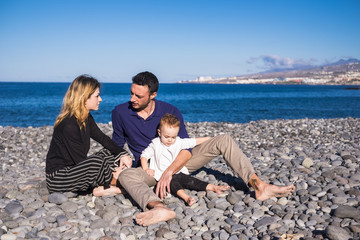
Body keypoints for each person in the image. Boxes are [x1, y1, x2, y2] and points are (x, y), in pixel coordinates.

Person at [112, 71, 295, 226]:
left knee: (223, 139)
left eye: (138, 96)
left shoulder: (170, 111)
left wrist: (170, 171)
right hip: (150, 169)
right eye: (131, 93)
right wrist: (119, 162)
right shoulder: (120, 112)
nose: (132, 99)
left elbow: (185, 148)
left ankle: (258, 185)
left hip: (179, 163)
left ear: (153, 95)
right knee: (126, 175)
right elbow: (117, 145)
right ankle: (159, 208)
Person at [46, 75, 132, 197]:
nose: (100, 99)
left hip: (75, 169)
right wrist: (112, 173)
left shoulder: (85, 117)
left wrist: (122, 154)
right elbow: (81, 161)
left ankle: (106, 184)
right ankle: (118, 184)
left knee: (109, 152)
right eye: (97, 96)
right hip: (59, 178)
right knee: (96, 163)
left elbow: (102, 139)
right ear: (84, 98)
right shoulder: (69, 125)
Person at [140, 113, 230, 206]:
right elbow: (144, 155)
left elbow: (193, 141)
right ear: (159, 133)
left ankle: (214, 187)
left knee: (191, 181)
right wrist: (146, 169)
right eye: (166, 137)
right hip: (162, 175)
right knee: (173, 183)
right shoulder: (155, 144)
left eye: (173, 137)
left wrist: (211, 139)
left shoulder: (178, 142)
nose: (170, 140)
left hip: (177, 171)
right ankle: (186, 197)